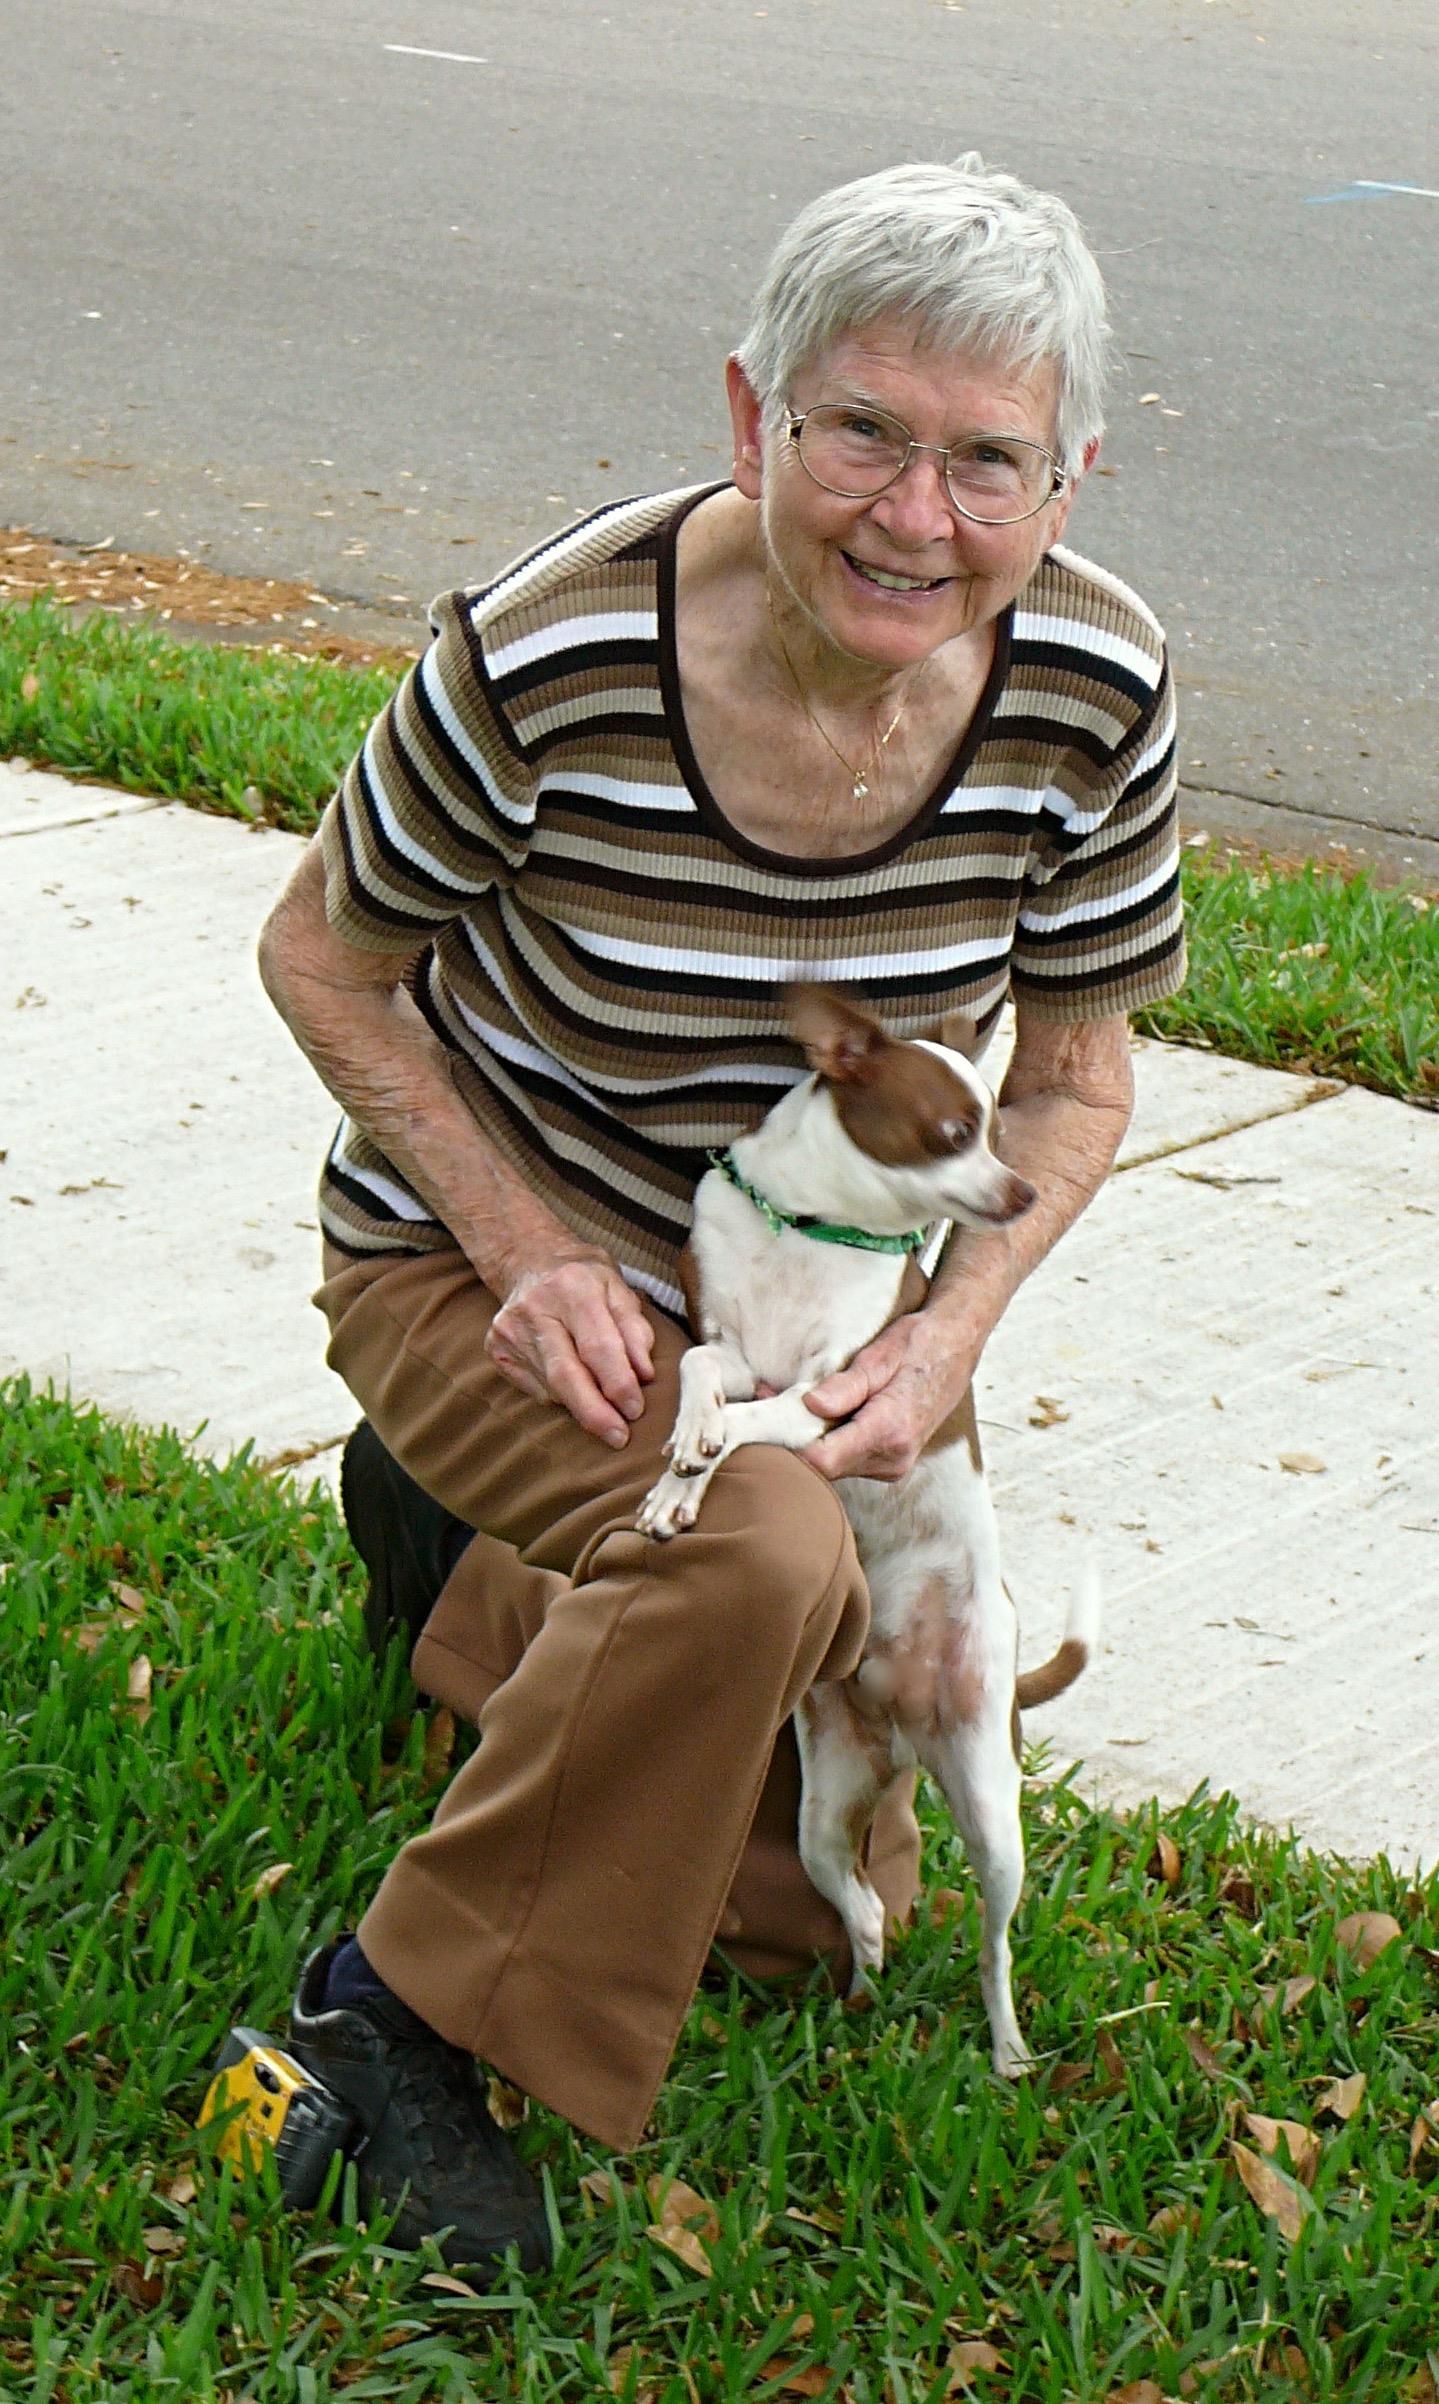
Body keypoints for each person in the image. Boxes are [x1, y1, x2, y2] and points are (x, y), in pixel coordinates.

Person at [255, 154, 1184, 2273]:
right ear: (755, 414)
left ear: (1071, 479)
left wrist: (945, 1338)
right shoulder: (546, 652)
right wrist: (522, 1247)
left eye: (987, 462)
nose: (913, 516)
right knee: (754, 1549)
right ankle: (386, 2024)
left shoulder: (1097, 686)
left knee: (794, 1927)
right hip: (494, 1258)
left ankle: (469, 1586)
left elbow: (1075, 1068)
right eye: (861, 429)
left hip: (822, 1297)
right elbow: (320, 955)